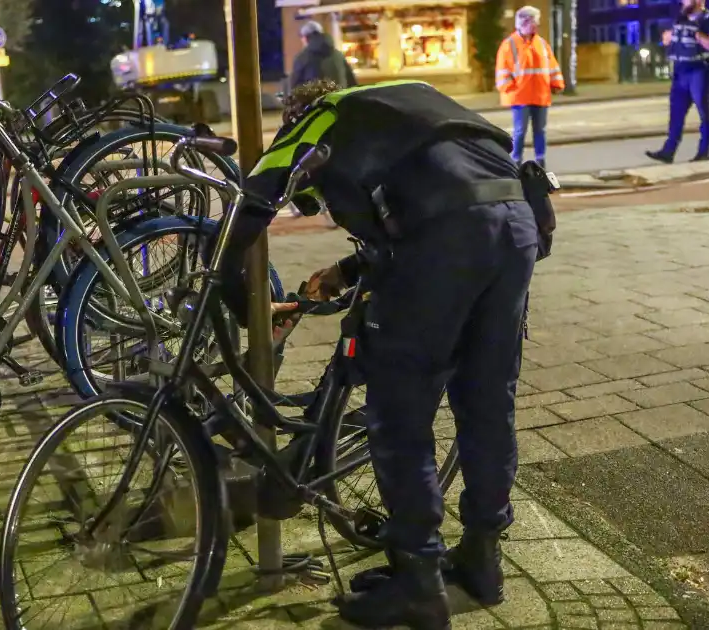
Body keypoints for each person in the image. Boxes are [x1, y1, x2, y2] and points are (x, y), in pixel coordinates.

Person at [220, 79, 552, 629]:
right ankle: (482, 561)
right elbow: (431, 198)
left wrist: (242, 306)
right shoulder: (404, 103)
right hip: (515, 226)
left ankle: (418, 582)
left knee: (399, 414)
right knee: (488, 402)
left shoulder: (318, 118)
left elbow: (248, 205)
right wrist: (347, 271)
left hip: (447, 240)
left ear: (296, 114)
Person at [646, 0, 709, 164]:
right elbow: (668, 40)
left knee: (704, 112)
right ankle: (668, 151)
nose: (683, 2)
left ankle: (703, 152)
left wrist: (698, 35)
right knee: (676, 114)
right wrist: (667, 38)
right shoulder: (680, 18)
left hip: (699, 70)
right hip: (680, 71)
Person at [496, 6, 565, 168]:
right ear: (523, 23)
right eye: (533, 22)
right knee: (520, 132)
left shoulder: (541, 44)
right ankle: (516, 160)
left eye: (536, 22)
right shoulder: (510, 44)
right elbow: (502, 70)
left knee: (540, 131)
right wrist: (510, 88)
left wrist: (557, 84)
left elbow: (551, 66)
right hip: (520, 97)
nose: (535, 25)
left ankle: (540, 160)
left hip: (539, 95)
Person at [289, 20, 357, 91]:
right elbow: (352, 83)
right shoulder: (339, 55)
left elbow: (295, 88)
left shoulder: (302, 58)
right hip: (339, 100)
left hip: (316, 101)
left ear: (305, 38)